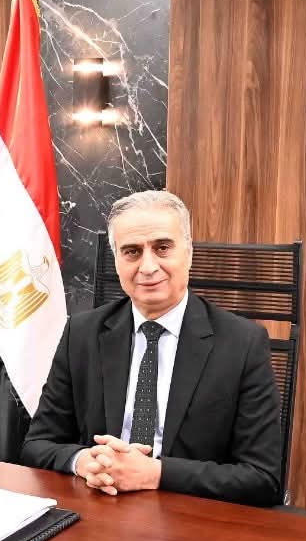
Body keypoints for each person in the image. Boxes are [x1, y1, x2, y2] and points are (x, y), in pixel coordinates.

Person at [20, 190, 283, 506]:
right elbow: (37, 444)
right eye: (132, 251)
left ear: (188, 253)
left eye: (162, 248)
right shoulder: (82, 333)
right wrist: (83, 461)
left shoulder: (243, 343)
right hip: (100, 507)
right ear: (116, 261)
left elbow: (262, 478)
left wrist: (155, 473)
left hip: (193, 517)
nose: (147, 266)